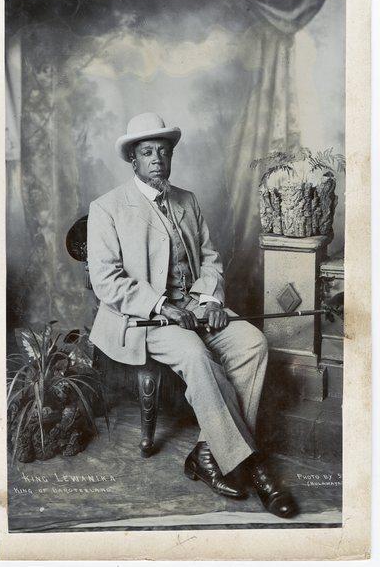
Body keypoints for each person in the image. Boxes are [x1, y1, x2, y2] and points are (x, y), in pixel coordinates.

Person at [87, 113, 298, 518]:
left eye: (163, 152)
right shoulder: (107, 208)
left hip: (196, 306)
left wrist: (212, 301)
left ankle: (206, 451)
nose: (157, 159)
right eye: (147, 152)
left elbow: (211, 258)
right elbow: (106, 281)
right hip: (144, 318)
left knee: (252, 343)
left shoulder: (187, 200)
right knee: (196, 356)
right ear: (133, 159)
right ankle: (254, 467)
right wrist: (160, 305)